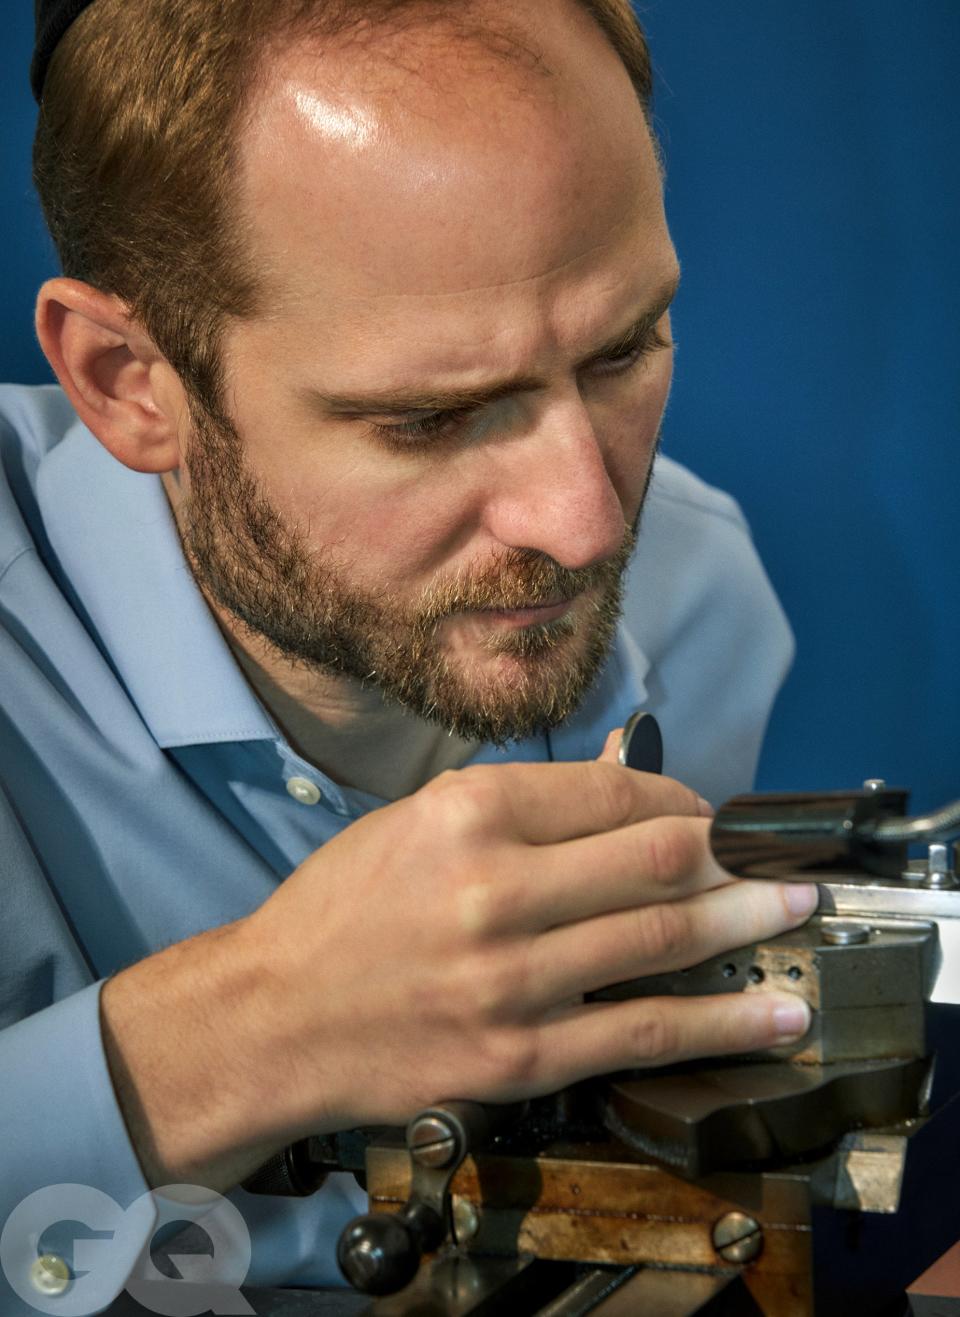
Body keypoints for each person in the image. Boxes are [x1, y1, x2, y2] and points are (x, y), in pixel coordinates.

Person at [0, 0, 818, 1306]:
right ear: (126, 381)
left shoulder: (704, 597)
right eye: (430, 418)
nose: (589, 524)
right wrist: (253, 1028)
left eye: (625, 348)